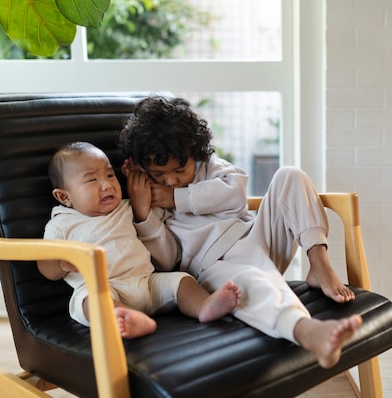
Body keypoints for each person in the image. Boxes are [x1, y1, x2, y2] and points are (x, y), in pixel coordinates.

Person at [118, 95, 362, 368]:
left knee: (290, 175)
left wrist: (177, 198)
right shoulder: (151, 197)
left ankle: (319, 264)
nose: (171, 180)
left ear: (194, 154)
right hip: (216, 266)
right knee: (248, 282)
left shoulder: (208, 166)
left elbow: (236, 195)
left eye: (179, 169)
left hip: (256, 237)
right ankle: (306, 330)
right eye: (159, 174)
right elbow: (165, 260)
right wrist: (143, 213)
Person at [38, 141, 241, 339]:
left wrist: (138, 175)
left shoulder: (127, 207)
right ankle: (129, 317)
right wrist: (61, 263)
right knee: (90, 302)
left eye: (110, 174)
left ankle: (204, 306)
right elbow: (46, 267)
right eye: (92, 180)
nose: (107, 184)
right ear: (64, 197)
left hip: (147, 283)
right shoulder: (61, 224)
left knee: (182, 280)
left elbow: (150, 200)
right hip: (104, 289)